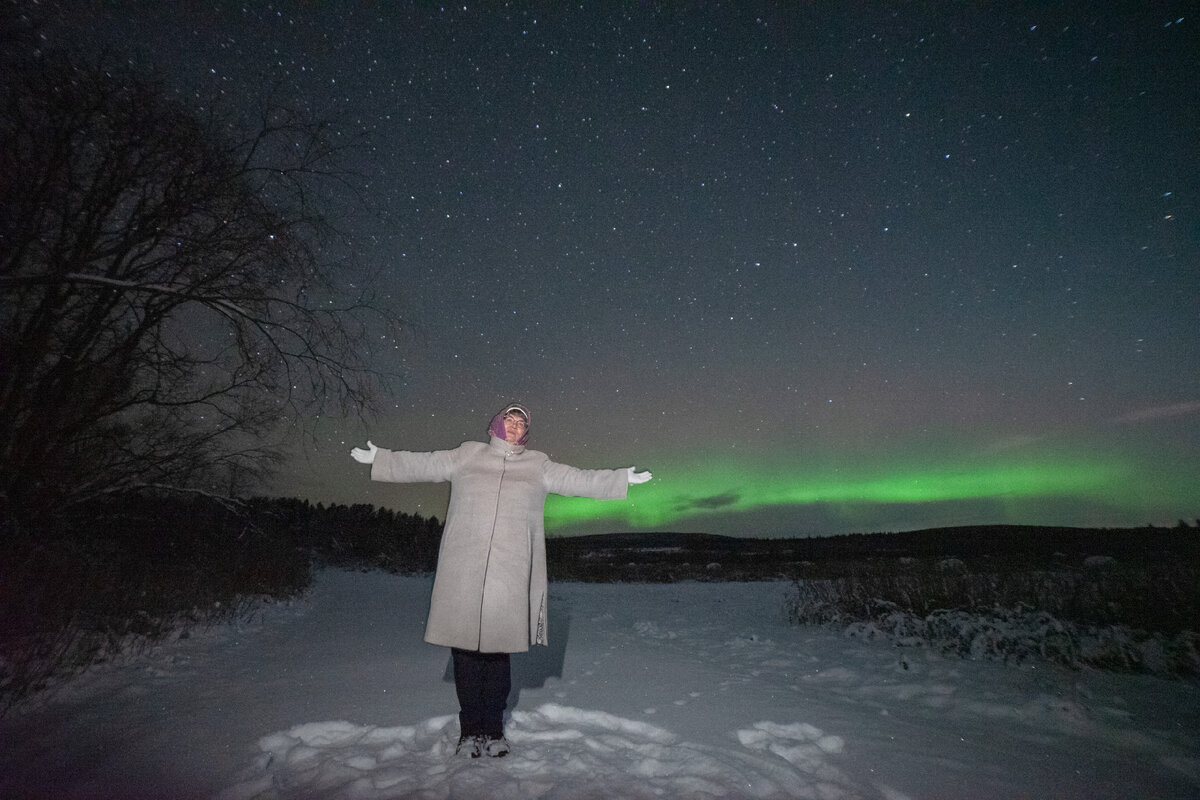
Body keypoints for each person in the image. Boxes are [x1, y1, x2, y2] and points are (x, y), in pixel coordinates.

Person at [350, 403, 652, 758]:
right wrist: (381, 458)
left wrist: (619, 478)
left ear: (526, 432)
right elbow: (425, 463)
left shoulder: (538, 465)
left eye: (521, 422)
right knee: (465, 656)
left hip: (509, 575)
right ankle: (469, 733)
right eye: (509, 418)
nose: (514, 425)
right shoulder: (467, 455)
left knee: (497, 657)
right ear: (495, 423)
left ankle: (493, 732)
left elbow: (577, 479)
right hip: (463, 572)